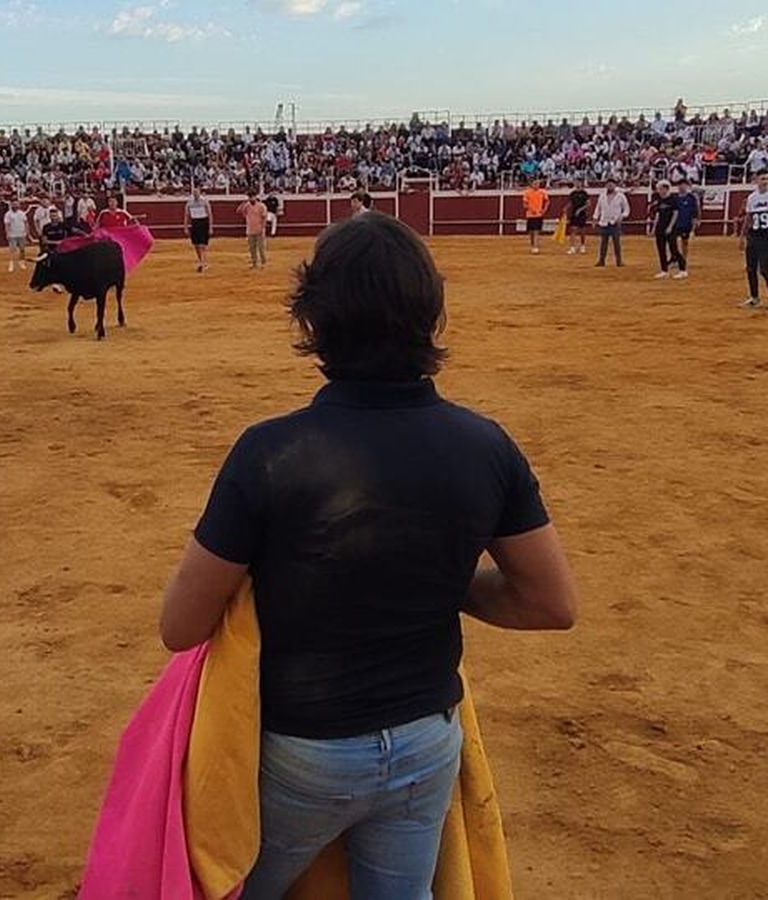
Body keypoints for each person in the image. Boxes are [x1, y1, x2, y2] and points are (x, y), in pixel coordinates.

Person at [158, 213, 576, 898]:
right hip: (425, 742)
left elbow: (180, 627)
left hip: (305, 752)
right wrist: (443, 574)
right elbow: (550, 602)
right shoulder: (485, 445)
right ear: (431, 316)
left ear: (314, 320)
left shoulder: (269, 453)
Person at [738, 172, 768, 310]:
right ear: (756, 180)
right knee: (750, 268)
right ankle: (754, 298)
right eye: (762, 178)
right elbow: (748, 218)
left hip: (767, 236)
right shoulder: (752, 198)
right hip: (753, 236)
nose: (766, 181)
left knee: (765, 268)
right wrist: (742, 237)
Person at [649, 180, 684, 279]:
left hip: (670, 228)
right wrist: (654, 228)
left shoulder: (673, 199)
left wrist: (670, 227)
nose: (659, 191)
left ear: (666, 189)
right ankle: (664, 270)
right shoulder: (659, 200)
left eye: (661, 189)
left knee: (674, 249)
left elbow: (675, 214)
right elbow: (658, 215)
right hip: (660, 228)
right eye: (659, 189)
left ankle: (682, 269)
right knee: (661, 249)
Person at [593, 179, 629, 267]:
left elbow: (626, 209)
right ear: (606, 186)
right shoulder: (602, 196)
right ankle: (601, 260)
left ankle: (619, 261)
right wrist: (595, 218)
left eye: (611, 185)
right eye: (608, 185)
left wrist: (622, 216)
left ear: (615, 186)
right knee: (603, 243)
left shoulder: (621, 196)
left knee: (616, 243)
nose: (610, 186)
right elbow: (598, 208)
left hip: (615, 222)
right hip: (604, 222)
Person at [671, 181, 699, 278]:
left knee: (684, 242)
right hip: (675, 224)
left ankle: (683, 259)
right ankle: (675, 259)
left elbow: (695, 211)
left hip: (686, 224)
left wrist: (694, 225)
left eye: (683, 185)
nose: (681, 187)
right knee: (672, 242)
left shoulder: (691, 198)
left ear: (686, 186)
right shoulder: (674, 198)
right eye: (679, 185)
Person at [238, 193, 269, 270]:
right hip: (250, 230)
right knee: (252, 248)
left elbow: (264, 217)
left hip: (259, 229)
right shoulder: (247, 206)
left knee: (261, 247)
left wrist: (263, 227)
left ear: (255, 197)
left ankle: (263, 263)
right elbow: (239, 211)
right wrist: (243, 204)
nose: (251, 199)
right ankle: (254, 263)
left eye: (252, 197)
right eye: (249, 197)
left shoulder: (261, 206)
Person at [185, 187, 212, 273]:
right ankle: (202, 261)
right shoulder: (189, 202)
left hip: (203, 222)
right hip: (195, 223)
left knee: (202, 245)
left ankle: (202, 263)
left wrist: (210, 227)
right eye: (194, 192)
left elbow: (209, 214)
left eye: (197, 192)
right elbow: (186, 215)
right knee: (196, 245)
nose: (195, 194)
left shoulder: (204, 201)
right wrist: (185, 227)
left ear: (200, 192)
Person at [522, 179, 549, 254]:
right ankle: (533, 245)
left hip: (538, 214)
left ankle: (535, 247)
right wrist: (531, 209)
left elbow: (547, 201)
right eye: (535, 183)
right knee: (531, 232)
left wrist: (544, 210)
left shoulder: (542, 192)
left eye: (538, 184)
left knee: (536, 231)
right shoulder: (527, 192)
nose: (536, 185)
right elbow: (524, 204)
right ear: (531, 184)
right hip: (530, 215)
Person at [3, 200, 30, 272]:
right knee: (13, 250)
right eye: (14, 204)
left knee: (22, 249)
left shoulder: (22, 213)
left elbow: (26, 223)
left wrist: (27, 232)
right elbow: (7, 225)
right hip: (12, 234)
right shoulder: (8, 214)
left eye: (16, 204)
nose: (15, 206)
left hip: (21, 233)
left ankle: (22, 262)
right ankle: (11, 263)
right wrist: (7, 233)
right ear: (11, 205)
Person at [565, 182, 590, 255]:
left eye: (579, 183)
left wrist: (580, 210)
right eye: (577, 183)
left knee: (582, 231)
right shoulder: (573, 193)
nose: (578, 185)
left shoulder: (584, 193)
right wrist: (566, 208)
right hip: (574, 214)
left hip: (582, 214)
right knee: (573, 230)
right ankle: (572, 247)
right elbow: (571, 203)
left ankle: (582, 246)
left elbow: (588, 204)